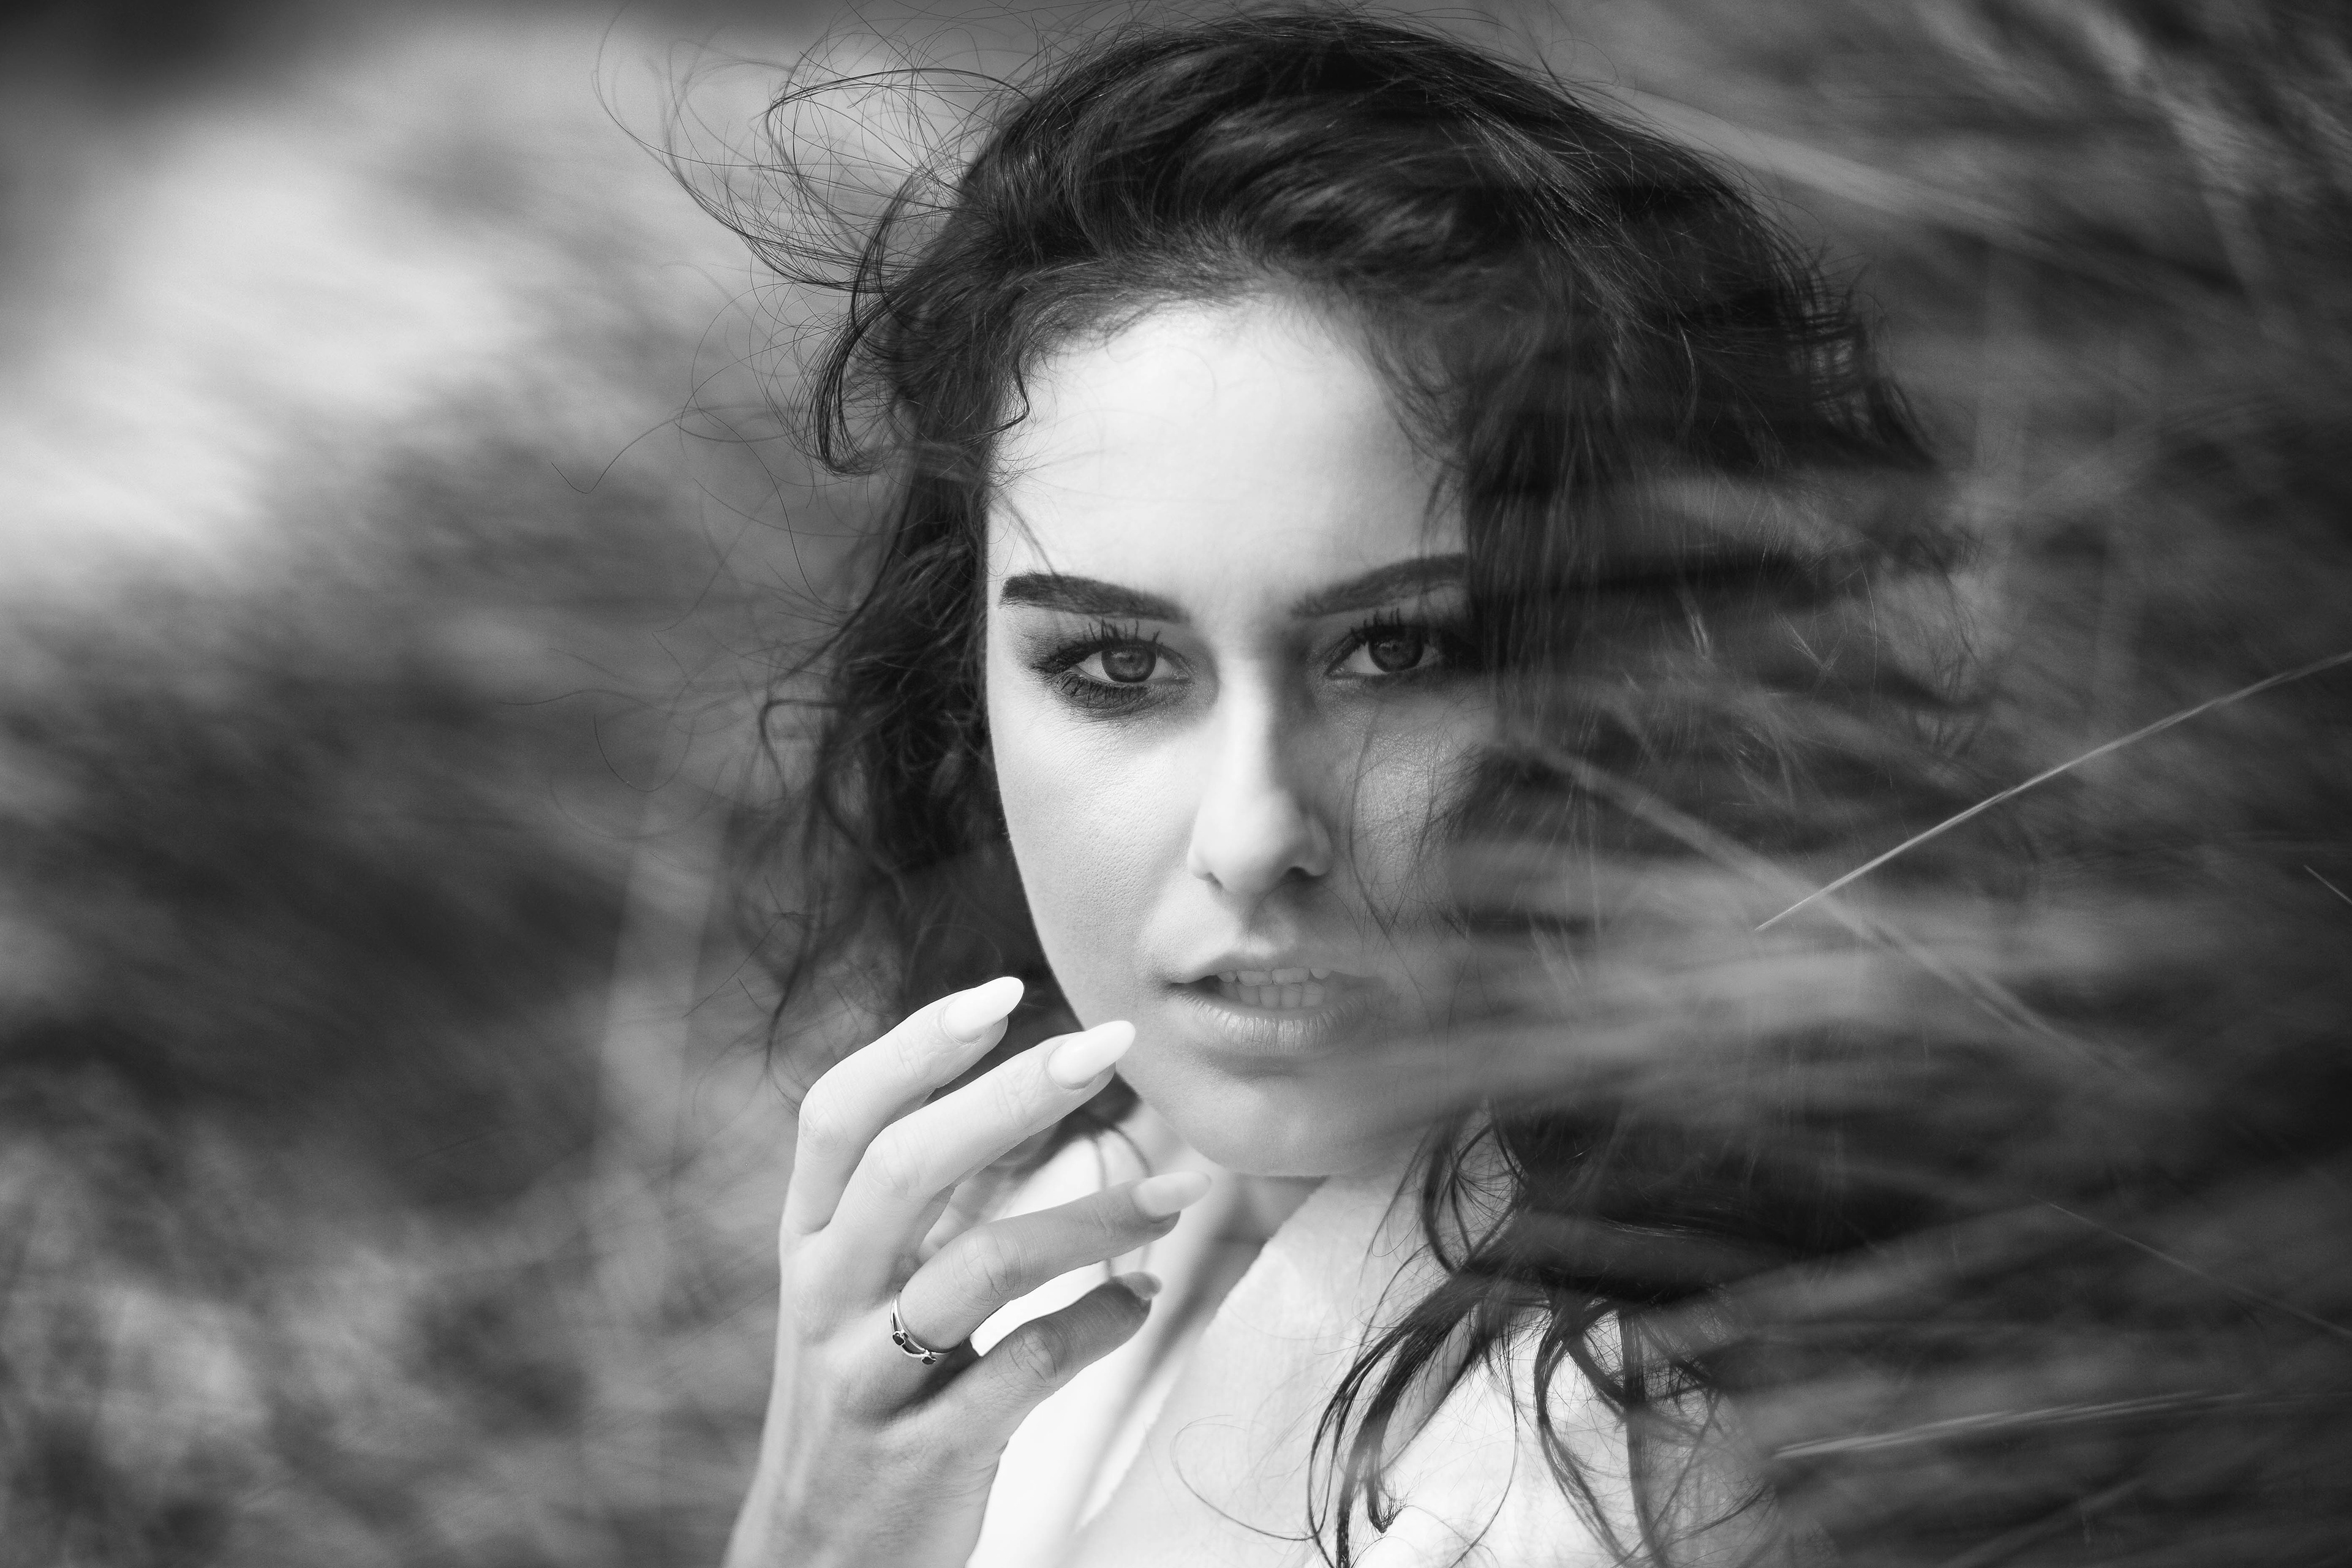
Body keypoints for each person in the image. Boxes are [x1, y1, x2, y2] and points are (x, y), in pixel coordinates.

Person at [703, 10, 1954, 1566]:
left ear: (1652, 670)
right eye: (1115, 663)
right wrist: (820, 1517)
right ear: (965, 678)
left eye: (1399, 652)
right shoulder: (1074, 1211)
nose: (1251, 834)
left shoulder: (1609, 1461)